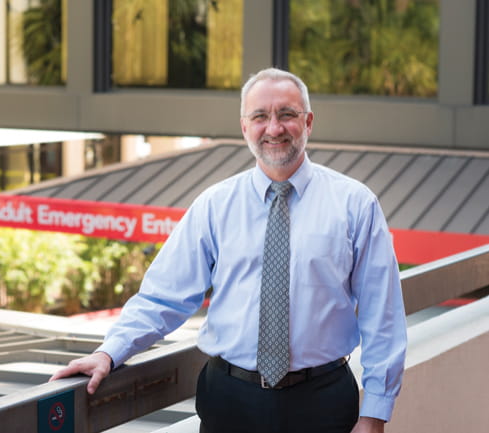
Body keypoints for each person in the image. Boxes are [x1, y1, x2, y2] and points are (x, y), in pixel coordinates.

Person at [50, 67, 407, 433]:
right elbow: (163, 297)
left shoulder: (355, 205)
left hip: (323, 402)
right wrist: (107, 353)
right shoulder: (214, 206)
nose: (273, 128)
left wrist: (375, 413)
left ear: (308, 122)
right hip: (230, 403)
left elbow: (383, 316)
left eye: (287, 114)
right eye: (260, 117)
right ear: (244, 127)